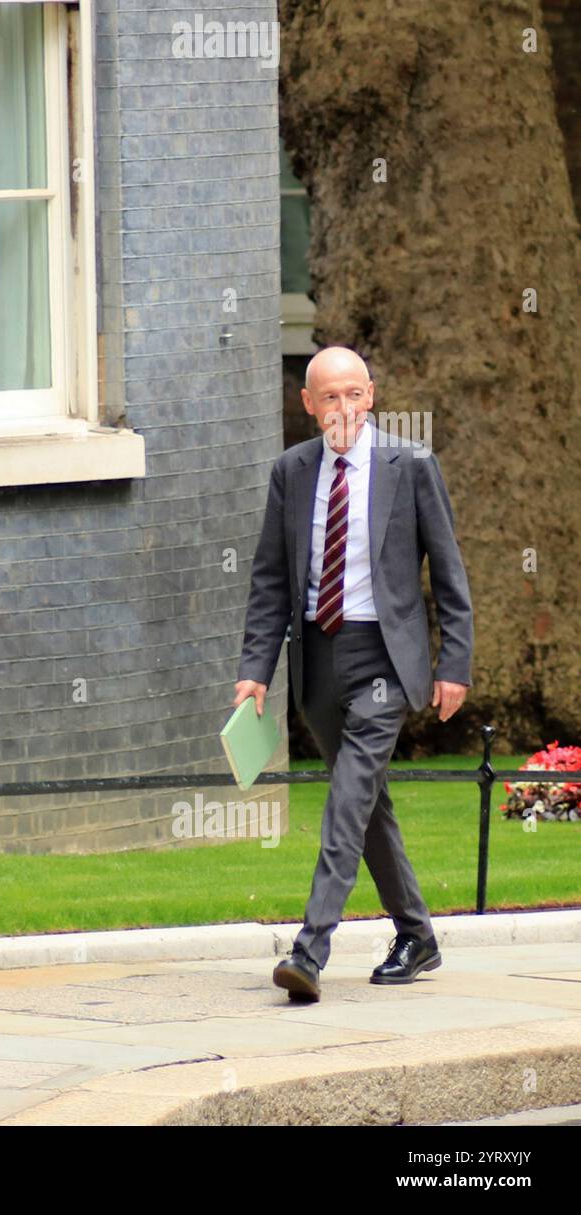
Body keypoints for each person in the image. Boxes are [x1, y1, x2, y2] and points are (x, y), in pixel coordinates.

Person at [234, 346, 473, 1002]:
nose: (342, 408)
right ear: (308, 404)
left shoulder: (412, 465)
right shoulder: (290, 471)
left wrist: (454, 662)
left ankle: (310, 949)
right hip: (316, 660)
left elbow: (448, 572)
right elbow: (269, 580)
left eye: (353, 394)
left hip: (385, 660)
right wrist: (255, 669)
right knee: (367, 806)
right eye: (328, 397)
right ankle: (417, 935)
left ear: (370, 396)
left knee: (346, 797)